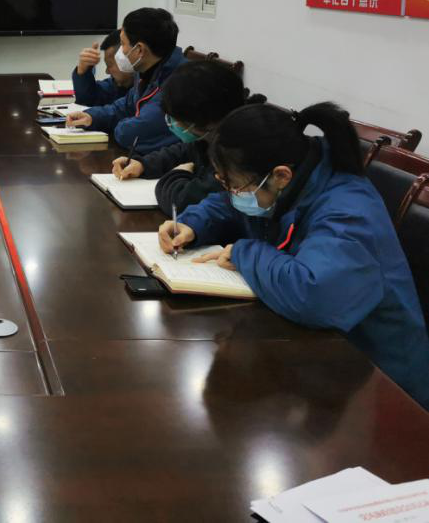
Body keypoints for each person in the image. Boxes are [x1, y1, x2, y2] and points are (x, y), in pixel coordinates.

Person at [159, 102, 429, 409]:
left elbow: (315, 295)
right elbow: (229, 204)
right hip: (323, 354)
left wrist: (246, 252)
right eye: (224, 182)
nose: (231, 192)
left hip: (384, 386)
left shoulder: (348, 210)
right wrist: (193, 225)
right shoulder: (290, 180)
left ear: (281, 176)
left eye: (233, 184)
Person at [111, 60, 264, 216]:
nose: (172, 123)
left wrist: (176, 175)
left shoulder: (236, 153)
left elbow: (181, 202)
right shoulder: (210, 135)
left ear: (206, 120)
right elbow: (185, 151)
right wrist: (143, 164)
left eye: (176, 119)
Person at [65, 7, 184, 154]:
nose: (120, 51)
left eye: (122, 43)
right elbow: (124, 107)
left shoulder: (178, 82)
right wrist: (92, 117)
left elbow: (131, 134)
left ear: (139, 50)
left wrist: (118, 123)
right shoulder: (146, 71)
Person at [72, 28, 133, 106]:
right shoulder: (115, 85)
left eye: (109, 65)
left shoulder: (144, 90)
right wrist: (83, 72)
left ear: (126, 59)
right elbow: (87, 100)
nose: (107, 71)